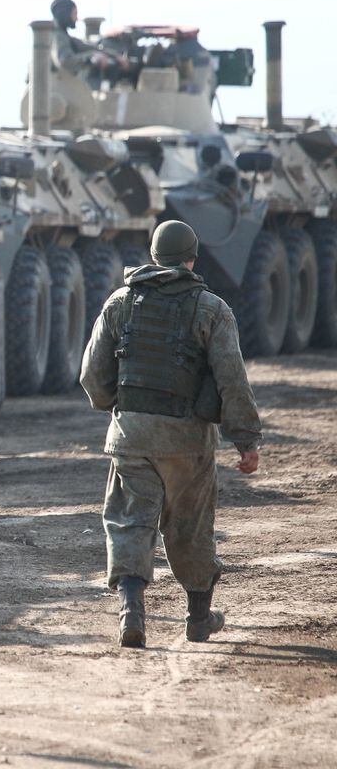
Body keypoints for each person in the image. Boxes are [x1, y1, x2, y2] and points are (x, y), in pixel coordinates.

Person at [79, 221, 262, 649]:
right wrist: (247, 440)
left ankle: (131, 612)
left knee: (129, 523)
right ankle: (199, 619)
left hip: (131, 437)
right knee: (191, 529)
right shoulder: (212, 309)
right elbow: (232, 380)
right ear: (192, 259)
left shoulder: (120, 302)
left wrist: (121, 410)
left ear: (154, 256)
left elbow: (92, 374)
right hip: (187, 444)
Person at [50, 0, 127, 78]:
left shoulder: (64, 35)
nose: (76, 18)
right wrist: (91, 58)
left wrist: (114, 56)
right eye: (74, 13)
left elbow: (87, 47)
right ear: (65, 14)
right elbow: (65, 61)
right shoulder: (57, 35)